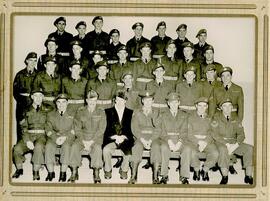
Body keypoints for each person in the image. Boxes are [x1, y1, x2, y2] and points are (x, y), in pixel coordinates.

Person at [210, 98, 253, 185]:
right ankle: (225, 176)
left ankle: (248, 176)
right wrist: (227, 144)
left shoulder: (236, 118)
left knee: (249, 149)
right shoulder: (216, 117)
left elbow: (241, 134)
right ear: (221, 108)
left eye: (229, 106)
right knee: (223, 150)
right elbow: (214, 134)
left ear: (232, 107)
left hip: (234, 142)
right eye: (225, 106)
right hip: (221, 142)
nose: (227, 108)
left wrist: (236, 144)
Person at [12, 89, 51, 180]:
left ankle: (35, 171)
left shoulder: (49, 109)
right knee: (17, 149)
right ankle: (19, 169)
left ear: (43, 97)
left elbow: (51, 124)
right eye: (36, 96)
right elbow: (23, 127)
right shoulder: (25, 109)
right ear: (32, 97)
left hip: (42, 135)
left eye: (40, 96)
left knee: (38, 146)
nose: (38, 98)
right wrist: (27, 140)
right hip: (28, 135)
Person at [69, 90, 106, 183]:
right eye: (90, 100)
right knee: (74, 147)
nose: (92, 103)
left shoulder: (101, 111)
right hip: (82, 137)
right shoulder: (80, 111)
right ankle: (74, 170)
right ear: (86, 100)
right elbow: (77, 128)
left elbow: (101, 129)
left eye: (95, 100)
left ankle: (96, 172)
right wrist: (83, 141)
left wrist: (91, 141)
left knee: (97, 148)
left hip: (96, 138)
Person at [128, 91, 161, 184]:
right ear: (142, 101)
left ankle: (155, 177)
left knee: (156, 147)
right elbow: (134, 128)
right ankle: (133, 176)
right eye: (146, 100)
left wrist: (150, 140)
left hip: (153, 137)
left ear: (153, 101)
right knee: (137, 147)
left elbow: (158, 129)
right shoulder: (137, 112)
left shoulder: (157, 112)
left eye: (150, 100)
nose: (148, 103)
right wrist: (142, 139)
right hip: (140, 137)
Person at [103, 90, 134, 180]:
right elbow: (106, 128)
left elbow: (131, 128)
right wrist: (114, 137)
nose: (120, 102)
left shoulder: (130, 113)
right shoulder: (107, 112)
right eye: (118, 99)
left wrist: (124, 137)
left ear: (125, 101)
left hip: (125, 139)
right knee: (106, 150)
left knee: (128, 152)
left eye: (122, 100)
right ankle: (108, 170)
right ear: (115, 100)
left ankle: (124, 170)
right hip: (112, 139)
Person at [158, 92, 189, 184]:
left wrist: (179, 142)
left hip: (180, 139)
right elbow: (162, 130)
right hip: (166, 139)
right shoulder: (162, 114)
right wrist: (169, 141)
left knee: (187, 149)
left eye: (176, 102)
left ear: (179, 103)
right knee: (164, 148)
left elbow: (185, 131)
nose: (174, 105)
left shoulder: (185, 115)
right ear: (168, 103)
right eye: (171, 102)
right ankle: (164, 175)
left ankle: (184, 176)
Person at [186, 97, 219, 182]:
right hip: (193, 141)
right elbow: (188, 133)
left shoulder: (210, 118)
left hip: (207, 142)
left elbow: (212, 133)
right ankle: (196, 169)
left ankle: (205, 170)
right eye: (200, 105)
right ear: (196, 106)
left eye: (204, 106)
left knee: (215, 153)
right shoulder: (190, 117)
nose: (202, 108)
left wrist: (205, 142)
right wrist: (198, 142)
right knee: (191, 152)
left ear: (207, 107)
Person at [45, 94, 75, 182]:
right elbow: (48, 128)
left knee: (66, 147)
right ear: (56, 103)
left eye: (63, 102)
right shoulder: (51, 114)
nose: (61, 105)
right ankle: (51, 172)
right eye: (58, 102)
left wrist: (65, 137)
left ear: (67, 103)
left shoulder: (73, 114)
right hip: (55, 136)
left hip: (67, 137)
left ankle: (63, 172)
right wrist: (55, 138)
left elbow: (74, 129)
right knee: (48, 146)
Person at [13, 52, 38, 142]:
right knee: (21, 129)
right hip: (22, 106)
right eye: (31, 60)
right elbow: (15, 92)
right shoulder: (20, 75)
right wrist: (23, 102)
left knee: (33, 128)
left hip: (34, 105)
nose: (33, 63)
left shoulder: (38, 75)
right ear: (27, 61)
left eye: (35, 61)